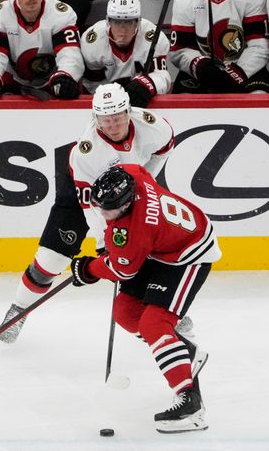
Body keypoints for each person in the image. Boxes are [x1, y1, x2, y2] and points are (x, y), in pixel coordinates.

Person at [0, 83, 175, 344]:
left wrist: (144, 183)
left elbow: (164, 148)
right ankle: (18, 310)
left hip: (128, 192)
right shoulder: (86, 153)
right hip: (81, 197)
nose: (112, 125)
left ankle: (163, 314)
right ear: (95, 118)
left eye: (117, 117)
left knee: (146, 257)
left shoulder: (153, 126)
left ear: (129, 111)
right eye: (105, 119)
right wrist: (106, 243)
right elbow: (91, 208)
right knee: (50, 261)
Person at [69, 163, 221, 434]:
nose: (103, 213)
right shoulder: (132, 173)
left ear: (127, 203)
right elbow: (138, 169)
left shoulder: (136, 232)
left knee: (154, 323)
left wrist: (89, 269)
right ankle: (184, 352)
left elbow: (122, 270)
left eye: (109, 210)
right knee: (125, 312)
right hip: (162, 245)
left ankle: (190, 405)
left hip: (190, 253)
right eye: (100, 206)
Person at [80, 0, 171, 106]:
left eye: (128, 22)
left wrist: (147, 84)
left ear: (138, 22)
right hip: (106, 103)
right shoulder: (93, 42)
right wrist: (111, 98)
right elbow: (91, 84)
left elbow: (162, 76)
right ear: (108, 21)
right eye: (117, 22)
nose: (122, 30)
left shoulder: (154, 38)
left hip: (141, 100)